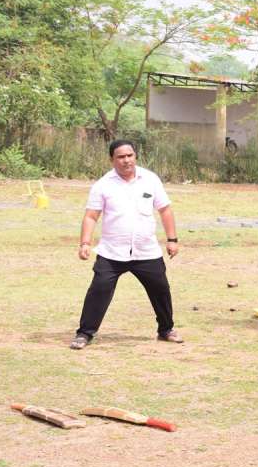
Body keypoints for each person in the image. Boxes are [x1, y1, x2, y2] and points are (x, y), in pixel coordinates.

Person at [70, 140, 182, 349]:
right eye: (121, 157)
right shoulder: (103, 185)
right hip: (112, 252)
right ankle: (84, 333)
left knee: (160, 289)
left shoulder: (150, 179)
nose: (126, 160)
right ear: (112, 160)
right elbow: (91, 216)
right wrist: (85, 243)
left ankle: (166, 329)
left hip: (146, 251)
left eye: (130, 155)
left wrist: (172, 240)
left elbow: (165, 210)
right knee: (99, 290)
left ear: (135, 156)